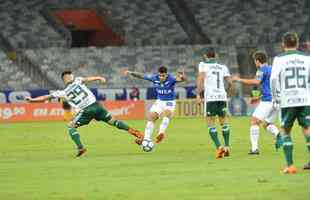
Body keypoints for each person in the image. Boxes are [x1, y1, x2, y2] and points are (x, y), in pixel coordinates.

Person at [26, 71, 144, 157]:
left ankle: (81, 148)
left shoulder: (62, 92)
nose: (71, 76)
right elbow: (89, 79)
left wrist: (32, 100)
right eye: (69, 75)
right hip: (97, 106)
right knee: (114, 122)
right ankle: (136, 133)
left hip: (86, 110)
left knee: (71, 126)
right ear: (67, 78)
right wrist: (99, 77)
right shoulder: (77, 80)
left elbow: (46, 97)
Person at [270, 32, 310, 174]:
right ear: (297, 43)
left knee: (285, 131)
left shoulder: (279, 59)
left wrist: (275, 98)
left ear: (283, 44)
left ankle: (291, 166)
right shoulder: (307, 58)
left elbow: (274, 79)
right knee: (307, 129)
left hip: (287, 100)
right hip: (305, 99)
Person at [232, 51, 281, 155]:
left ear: (258, 61)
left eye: (255, 61)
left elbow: (256, 82)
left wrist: (238, 79)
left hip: (267, 101)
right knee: (266, 124)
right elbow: (271, 87)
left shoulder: (261, 70)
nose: (255, 63)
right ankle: (278, 135)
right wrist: (259, 97)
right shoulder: (273, 69)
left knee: (254, 121)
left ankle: (254, 149)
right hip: (277, 101)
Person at [124, 66, 186, 145]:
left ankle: (161, 133)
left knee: (167, 114)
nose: (161, 77)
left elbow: (181, 79)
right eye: (160, 75)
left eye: (163, 76)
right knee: (151, 117)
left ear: (166, 74)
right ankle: (146, 139)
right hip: (159, 101)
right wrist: (131, 73)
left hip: (169, 101)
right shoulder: (154, 78)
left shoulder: (171, 78)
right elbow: (142, 76)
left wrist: (182, 76)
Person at [196, 47, 233, 159]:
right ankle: (227, 147)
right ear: (215, 56)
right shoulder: (223, 67)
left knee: (210, 122)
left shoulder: (203, 65)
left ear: (205, 56)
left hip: (211, 97)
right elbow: (230, 83)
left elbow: (201, 79)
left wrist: (198, 94)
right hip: (222, 97)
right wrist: (225, 92)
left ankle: (219, 147)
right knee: (224, 122)